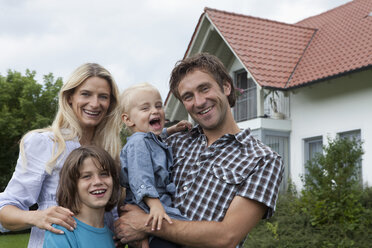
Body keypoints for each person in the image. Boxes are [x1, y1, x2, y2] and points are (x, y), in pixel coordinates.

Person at [114, 53, 284, 248]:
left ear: (226, 87)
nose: (199, 101)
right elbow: (134, 174)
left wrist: (146, 224)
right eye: (188, 96)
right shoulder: (175, 142)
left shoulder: (262, 160)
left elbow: (227, 237)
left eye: (204, 89)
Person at [0, 63, 122, 247]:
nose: (95, 103)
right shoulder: (45, 143)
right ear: (70, 97)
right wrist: (38, 216)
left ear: (110, 104)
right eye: (86, 94)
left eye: (103, 97)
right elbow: (4, 210)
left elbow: (111, 214)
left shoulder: (111, 151)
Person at [119, 83, 191, 248]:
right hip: (145, 204)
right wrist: (155, 206)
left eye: (158, 105)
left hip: (156, 203)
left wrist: (171, 130)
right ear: (128, 119)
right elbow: (140, 177)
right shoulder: (138, 143)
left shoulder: (148, 138)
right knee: (178, 233)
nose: (155, 110)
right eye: (145, 108)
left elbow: (156, 136)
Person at [43, 146, 120, 247]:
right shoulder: (61, 232)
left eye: (104, 174)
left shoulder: (112, 236)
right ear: (72, 185)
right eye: (87, 176)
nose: (98, 182)